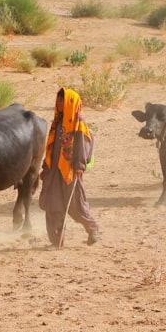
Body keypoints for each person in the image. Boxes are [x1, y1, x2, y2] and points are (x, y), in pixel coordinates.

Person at [39, 87, 100, 247]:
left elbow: (82, 146)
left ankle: (92, 228)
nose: (58, 103)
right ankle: (56, 241)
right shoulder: (57, 123)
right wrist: (45, 168)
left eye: (62, 100)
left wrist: (79, 165)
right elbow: (50, 147)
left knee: (76, 205)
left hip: (70, 172)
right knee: (53, 207)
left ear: (70, 103)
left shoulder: (79, 125)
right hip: (53, 172)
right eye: (58, 100)